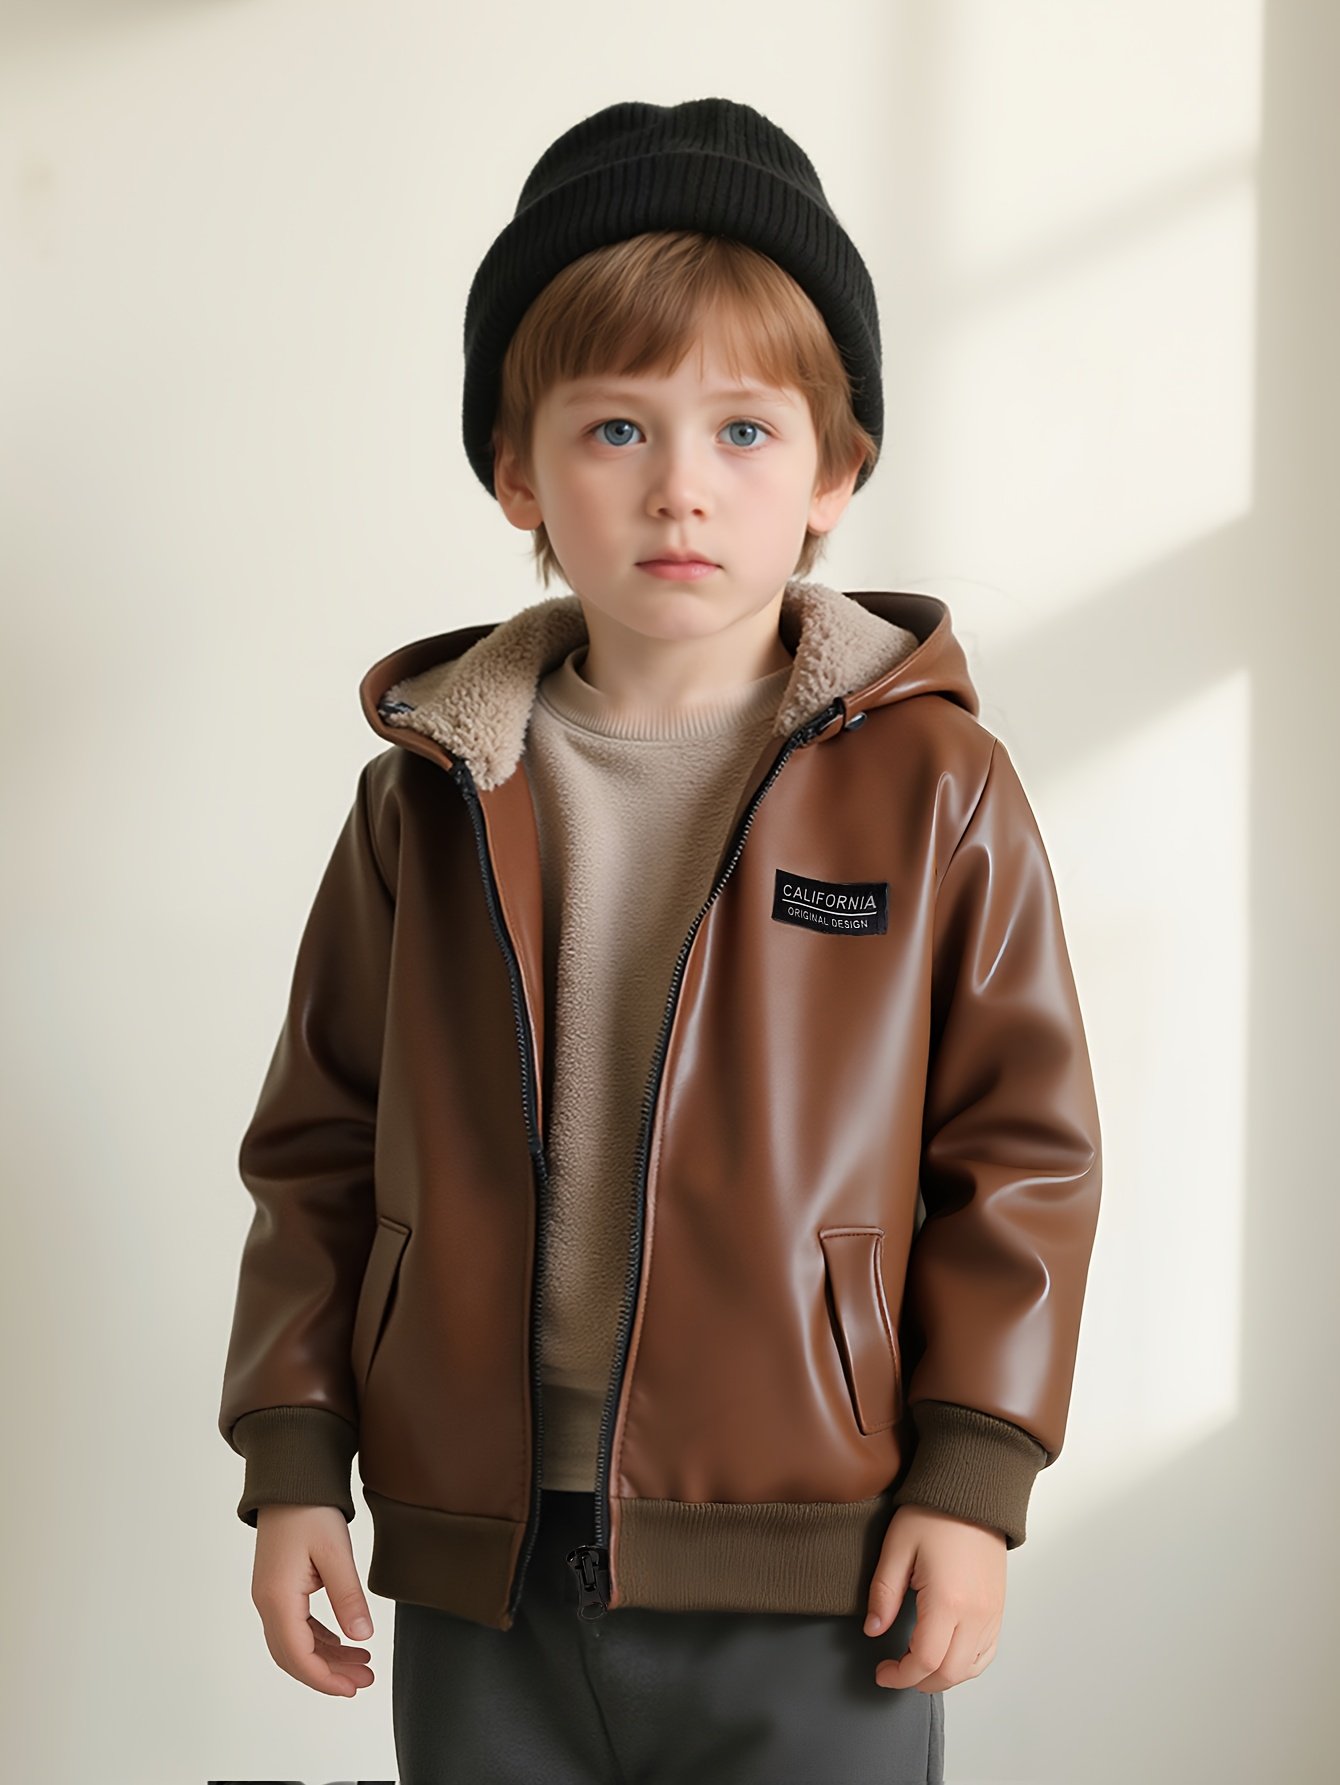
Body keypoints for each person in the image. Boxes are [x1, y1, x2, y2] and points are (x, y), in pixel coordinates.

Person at [217, 97, 1103, 1785]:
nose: (680, 486)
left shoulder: (936, 790)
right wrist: (293, 1457)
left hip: (818, 1557)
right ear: (518, 471)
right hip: (481, 1554)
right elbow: (318, 1144)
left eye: (744, 430)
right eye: (616, 426)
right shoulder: (427, 795)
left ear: (836, 473)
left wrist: (974, 1474)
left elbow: (1024, 1156)